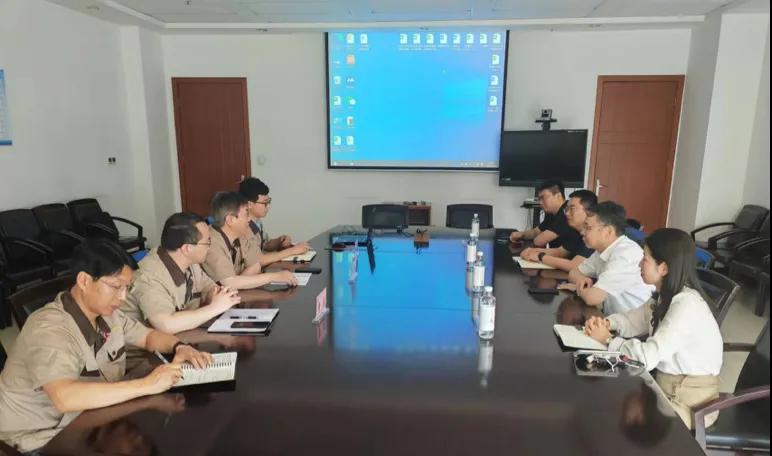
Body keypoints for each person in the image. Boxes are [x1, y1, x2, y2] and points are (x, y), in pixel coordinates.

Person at [0, 239, 212, 446]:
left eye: (127, 288)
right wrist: (148, 384)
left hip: (93, 418)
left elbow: (148, 336)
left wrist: (180, 347)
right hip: (42, 437)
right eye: (116, 287)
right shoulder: (49, 329)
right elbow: (64, 397)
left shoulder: (108, 314)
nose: (123, 297)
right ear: (84, 281)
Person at [584, 228, 723, 429]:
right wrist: (607, 323)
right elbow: (635, 319)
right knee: (601, 393)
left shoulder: (686, 305)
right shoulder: (666, 295)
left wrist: (608, 340)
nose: (639, 264)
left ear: (663, 268)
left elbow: (648, 357)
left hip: (690, 404)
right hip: (662, 387)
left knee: (613, 414)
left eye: (645, 259)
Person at [122, 212, 242, 334]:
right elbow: (166, 324)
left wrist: (217, 295)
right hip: (143, 344)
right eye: (207, 243)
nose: (209, 247)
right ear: (187, 248)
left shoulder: (190, 263)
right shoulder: (150, 276)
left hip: (180, 337)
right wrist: (215, 308)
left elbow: (208, 287)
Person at [563, 201, 655, 314]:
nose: (582, 232)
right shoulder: (602, 250)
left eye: (588, 228)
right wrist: (582, 281)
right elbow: (573, 273)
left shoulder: (625, 254)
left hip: (634, 323)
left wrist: (579, 289)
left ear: (608, 231)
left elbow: (592, 298)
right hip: (614, 319)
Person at [202, 191, 297, 289]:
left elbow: (255, 265)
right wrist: (274, 277)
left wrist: (239, 280)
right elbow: (228, 282)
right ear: (230, 219)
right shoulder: (210, 242)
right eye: (246, 214)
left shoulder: (240, 234)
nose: (249, 220)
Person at [238, 177, 311, 266]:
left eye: (269, 202)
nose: (268, 206)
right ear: (249, 204)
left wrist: (279, 241)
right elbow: (259, 260)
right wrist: (292, 251)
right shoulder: (243, 226)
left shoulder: (257, 221)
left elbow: (265, 244)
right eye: (265, 203)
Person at [520, 189, 597, 271]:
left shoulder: (594, 234)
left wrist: (540, 256)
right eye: (566, 209)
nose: (567, 213)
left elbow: (574, 266)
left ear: (589, 211)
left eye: (572, 209)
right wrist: (532, 251)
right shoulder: (575, 231)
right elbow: (560, 252)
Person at [510, 180, 568, 247]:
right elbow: (536, 232)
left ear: (558, 196)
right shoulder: (551, 213)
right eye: (539, 199)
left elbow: (539, 241)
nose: (540, 202)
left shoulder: (567, 213)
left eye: (543, 198)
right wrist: (521, 234)